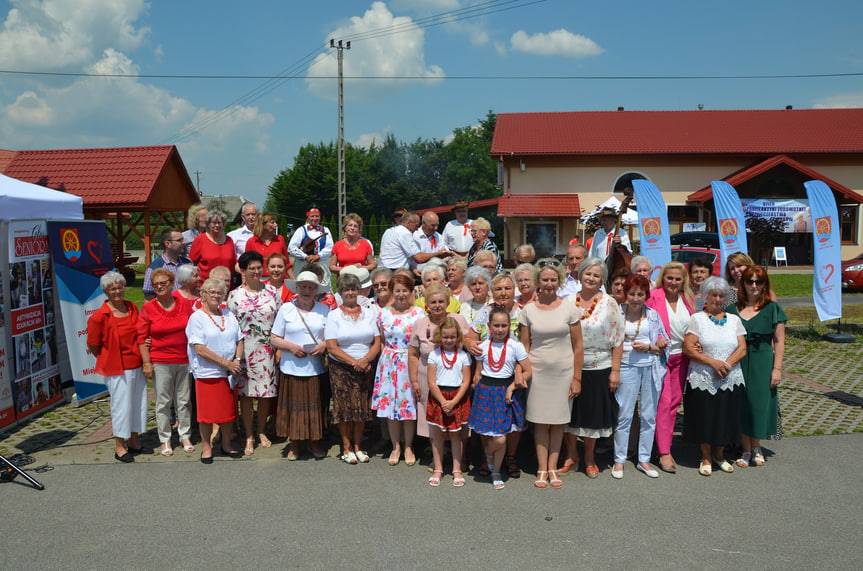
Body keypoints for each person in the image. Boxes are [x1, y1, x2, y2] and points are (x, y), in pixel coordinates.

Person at [518, 263, 583, 489]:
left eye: (553, 280)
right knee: (539, 422)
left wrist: (577, 378)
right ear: (538, 281)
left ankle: (553, 468)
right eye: (544, 280)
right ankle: (541, 468)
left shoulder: (569, 309)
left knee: (558, 422)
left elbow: (578, 346)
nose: (549, 284)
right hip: (537, 373)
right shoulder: (528, 310)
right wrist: (522, 372)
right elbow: (524, 347)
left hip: (564, 372)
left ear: (559, 282)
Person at [565, 257, 624, 478]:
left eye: (596, 275)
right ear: (580, 274)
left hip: (599, 366)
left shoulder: (609, 303)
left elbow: (618, 339)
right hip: (570, 365)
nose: (591, 278)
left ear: (602, 280)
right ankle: (571, 455)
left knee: (592, 415)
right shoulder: (568, 300)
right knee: (570, 414)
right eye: (588, 273)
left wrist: (615, 371)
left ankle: (589, 457)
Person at [683, 277, 747, 476]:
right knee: (705, 418)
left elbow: (742, 348)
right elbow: (688, 348)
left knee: (725, 417)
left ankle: (719, 455)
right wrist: (713, 363)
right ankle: (705, 457)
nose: (717, 299)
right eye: (713, 295)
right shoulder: (697, 319)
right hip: (704, 377)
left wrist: (726, 364)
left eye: (721, 295)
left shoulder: (734, 320)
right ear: (706, 297)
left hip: (730, 377)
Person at [464, 273, 524, 478]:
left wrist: (519, 369)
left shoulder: (522, 312)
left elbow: (527, 344)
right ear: (492, 292)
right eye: (498, 289)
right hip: (488, 375)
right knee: (486, 420)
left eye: (507, 288)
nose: (503, 292)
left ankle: (510, 457)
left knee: (513, 421)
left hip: (513, 375)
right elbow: (469, 338)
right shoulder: (485, 312)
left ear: (514, 290)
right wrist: (470, 344)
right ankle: (487, 457)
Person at [728, 266, 786, 467]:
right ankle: (745, 449)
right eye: (749, 281)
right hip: (738, 360)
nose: (754, 285)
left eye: (758, 282)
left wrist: (777, 368)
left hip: (762, 361)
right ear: (743, 283)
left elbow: (779, 341)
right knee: (741, 404)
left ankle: (757, 446)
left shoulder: (772, 308)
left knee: (758, 403)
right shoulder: (732, 310)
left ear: (764, 284)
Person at [468, 306, 532, 490]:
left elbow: (528, 370)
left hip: (506, 392)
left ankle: (493, 466)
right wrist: (475, 384)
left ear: (509, 327)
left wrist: (512, 387)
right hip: (486, 391)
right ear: (489, 326)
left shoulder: (515, 346)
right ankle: (492, 466)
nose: (500, 329)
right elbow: (478, 372)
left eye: (504, 325)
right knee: (488, 433)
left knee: (501, 437)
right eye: (496, 325)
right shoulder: (482, 346)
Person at [270, 271, 330, 460]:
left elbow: (332, 338)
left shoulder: (324, 310)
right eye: (303, 286)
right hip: (291, 366)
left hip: (315, 367)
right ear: (297, 288)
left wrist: (323, 345)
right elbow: (274, 338)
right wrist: (291, 347)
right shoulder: (286, 309)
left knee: (314, 407)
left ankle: (314, 442)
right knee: (293, 407)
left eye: (310, 287)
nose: (306, 290)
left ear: (316, 290)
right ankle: (294, 444)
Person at [612, 275, 668, 479]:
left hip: (650, 367)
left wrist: (652, 346)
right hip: (625, 366)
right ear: (626, 294)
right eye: (632, 293)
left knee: (648, 415)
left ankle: (644, 459)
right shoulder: (618, 313)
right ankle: (619, 459)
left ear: (646, 295)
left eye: (640, 294)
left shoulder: (653, 315)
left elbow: (664, 343)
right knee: (624, 415)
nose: (636, 298)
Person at [86, 271, 145, 463]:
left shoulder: (132, 307)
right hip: (117, 368)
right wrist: (107, 357)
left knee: (138, 403)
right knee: (121, 407)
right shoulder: (99, 316)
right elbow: (93, 344)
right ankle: (120, 445)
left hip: (136, 363)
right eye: (112, 289)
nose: (117, 291)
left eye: (120, 287)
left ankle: (134, 439)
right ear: (106, 291)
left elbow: (140, 334)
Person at [325, 273, 381, 464]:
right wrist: (354, 362)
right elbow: (331, 346)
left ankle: (358, 446)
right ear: (340, 292)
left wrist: (365, 360)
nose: (350, 292)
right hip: (341, 367)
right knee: (344, 408)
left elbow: (376, 342)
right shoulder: (333, 315)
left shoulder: (368, 313)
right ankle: (346, 447)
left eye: (353, 289)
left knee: (361, 407)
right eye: (346, 289)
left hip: (365, 366)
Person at [137, 268, 195, 457]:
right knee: (163, 402)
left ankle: (185, 435)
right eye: (156, 285)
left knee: (184, 401)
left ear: (172, 284)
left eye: (163, 283)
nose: (160, 287)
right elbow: (141, 338)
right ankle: (165, 439)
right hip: (160, 361)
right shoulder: (148, 308)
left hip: (184, 360)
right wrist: (146, 362)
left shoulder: (184, 304)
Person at [186, 277, 244, 463]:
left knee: (227, 413)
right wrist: (226, 363)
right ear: (203, 294)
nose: (216, 295)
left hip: (229, 373)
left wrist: (237, 360)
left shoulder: (228, 314)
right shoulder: (197, 318)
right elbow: (200, 349)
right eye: (212, 292)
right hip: (207, 373)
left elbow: (239, 339)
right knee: (206, 415)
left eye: (220, 293)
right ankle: (206, 447)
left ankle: (226, 444)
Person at [228, 252, 280, 456]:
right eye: (252, 268)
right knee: (246, 395)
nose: (257, 271)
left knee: (266, 393)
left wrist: (279, 348)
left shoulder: (272, 292)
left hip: (267, 350)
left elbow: (279, 322)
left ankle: (261, 431)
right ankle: (249, 434)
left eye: (259, 267)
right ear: (243, 270)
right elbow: (231, 326)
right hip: (244, 351)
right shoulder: (235, 295)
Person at [371, 273, 425, 466]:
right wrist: (385, 363)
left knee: (408, 407)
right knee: (390, 408)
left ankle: (408, 446)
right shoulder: (383, 313)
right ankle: (396, 446)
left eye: (404, 290)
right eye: (397, 291)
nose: (401, 294)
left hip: (409, 362)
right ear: (392, 292)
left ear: (410, 292)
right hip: (389, 363)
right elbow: (382, 340)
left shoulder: (419, 313)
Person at [645, 261, 694, 473]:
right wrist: (656, 338)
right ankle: (664, 452)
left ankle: (663, 443)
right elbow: (646, 321)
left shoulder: (688, 299)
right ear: (663, 279)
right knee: (664, 403)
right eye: (669, 278)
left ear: (683, 281)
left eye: (677, 279)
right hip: (660, 358)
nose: (673, 282)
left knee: (674, 403)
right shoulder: (654, 296)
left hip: (682, 358)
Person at [409, 284, 471, 441]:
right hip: (426, 378)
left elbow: (469, 343)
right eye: (433, 302)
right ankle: (435, 449)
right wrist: (414, 381)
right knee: (433, 417)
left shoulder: (459, 320)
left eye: (441, 301)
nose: (437, 305)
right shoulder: (419, 323)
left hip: (455, 379)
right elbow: (413, 354)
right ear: (426, 304)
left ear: (448, 302)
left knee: (455, 416)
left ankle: (456, 451)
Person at [424, 316, 472, 487]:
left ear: (458, 337)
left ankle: (456, 470)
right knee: (437, 435)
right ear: (440, 336)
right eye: (445, 337)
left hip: (458, 397)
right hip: (439, 397)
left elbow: (466, 381)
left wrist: (454, 401)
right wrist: (444, 401)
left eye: (452, 337)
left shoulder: (464, 356)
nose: (449, 340)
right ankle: (438, 469)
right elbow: (431, 382)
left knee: (456, 435)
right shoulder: (434, 355)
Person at [142, 228, 191, 299]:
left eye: (183, 240)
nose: (183, 243)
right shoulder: (154, 268)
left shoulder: (188, 264)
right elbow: (148, 296)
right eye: (179, 240)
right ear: (167, 244)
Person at [189, 210, 237, 281]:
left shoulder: (229, 240)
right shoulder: (200, 239)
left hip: (226, 284)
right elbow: (191, 262)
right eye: (214, 223)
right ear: (208, 224)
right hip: (206, 284)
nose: (217, 225)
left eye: (219, 222)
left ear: (223, 224)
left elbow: (233, 262)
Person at [288, 207, 334, 276]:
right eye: (312, 216)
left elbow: (330, 247)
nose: (315, 218)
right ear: (308, 217)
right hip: (303, 266)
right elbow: (291, 247)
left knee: (321, 281)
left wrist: (318, 256)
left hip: (321, 265)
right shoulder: (301, 230)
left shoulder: (325, 230)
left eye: (317, 216)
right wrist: (305, 257)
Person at [244, 212, 291, 279]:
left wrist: (294, 280)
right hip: (258, 280)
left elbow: (287, 263)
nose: (276, 224)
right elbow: (246, 265)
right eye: (272, 222)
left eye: (275, 222)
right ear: (263, 225)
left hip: (278, 279)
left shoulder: (280, 239)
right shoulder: (251, 242)